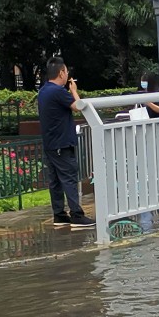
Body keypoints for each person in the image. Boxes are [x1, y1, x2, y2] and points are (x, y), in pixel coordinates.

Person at [38, 59, 94, 229]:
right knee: (69, 178)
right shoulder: (58, 91)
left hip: (50, 144)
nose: (68, 75)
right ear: (61, 73)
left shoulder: (43, 90)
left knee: (55, 180)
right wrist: (74, 91)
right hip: (62, 143)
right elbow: (78, 106)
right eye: (67, 72)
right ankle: (77, 215)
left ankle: (59, 215)